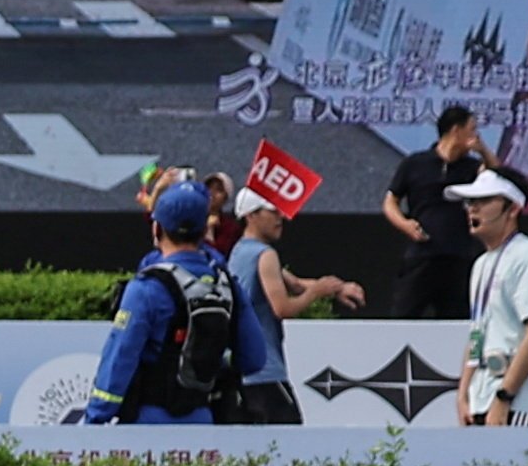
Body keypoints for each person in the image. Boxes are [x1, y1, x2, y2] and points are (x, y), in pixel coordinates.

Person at [82, 180, 235, 426]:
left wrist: (95, 420)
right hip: (204, 421)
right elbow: (254, 358)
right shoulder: (226, 282)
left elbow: (120, 358)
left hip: (147, 424)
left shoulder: (146, 288)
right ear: (203, 228)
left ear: (157, 229)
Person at [222, 189, 358, 424]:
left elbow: (294, 283)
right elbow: (283, 308)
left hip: (240, 372)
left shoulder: (240, 251)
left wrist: (336, 288)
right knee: (289, 442)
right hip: (265, 371)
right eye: (272, 211)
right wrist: (317, 292)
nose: (280, 218)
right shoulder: (265, 255)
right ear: (251, 216)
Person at [456, 166, 528, 428]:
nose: (473, 209)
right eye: (470, 201)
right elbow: (477, 332)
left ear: (512, 208)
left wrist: (504, 397)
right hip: (483, 395)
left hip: (522, 398)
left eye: (484, 200)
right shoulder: (481, 263)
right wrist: (463, 393)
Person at [383, 105, 484, 319]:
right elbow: (390, 201)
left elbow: (501, 179)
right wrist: (405, 224)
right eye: (472, 129)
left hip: (460, 256)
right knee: (403, 316)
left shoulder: (473, 167)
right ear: (456, 130)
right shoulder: (415, 163)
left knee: (456, 322)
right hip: (422, 254)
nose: (475, 136)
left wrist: (483, 151)